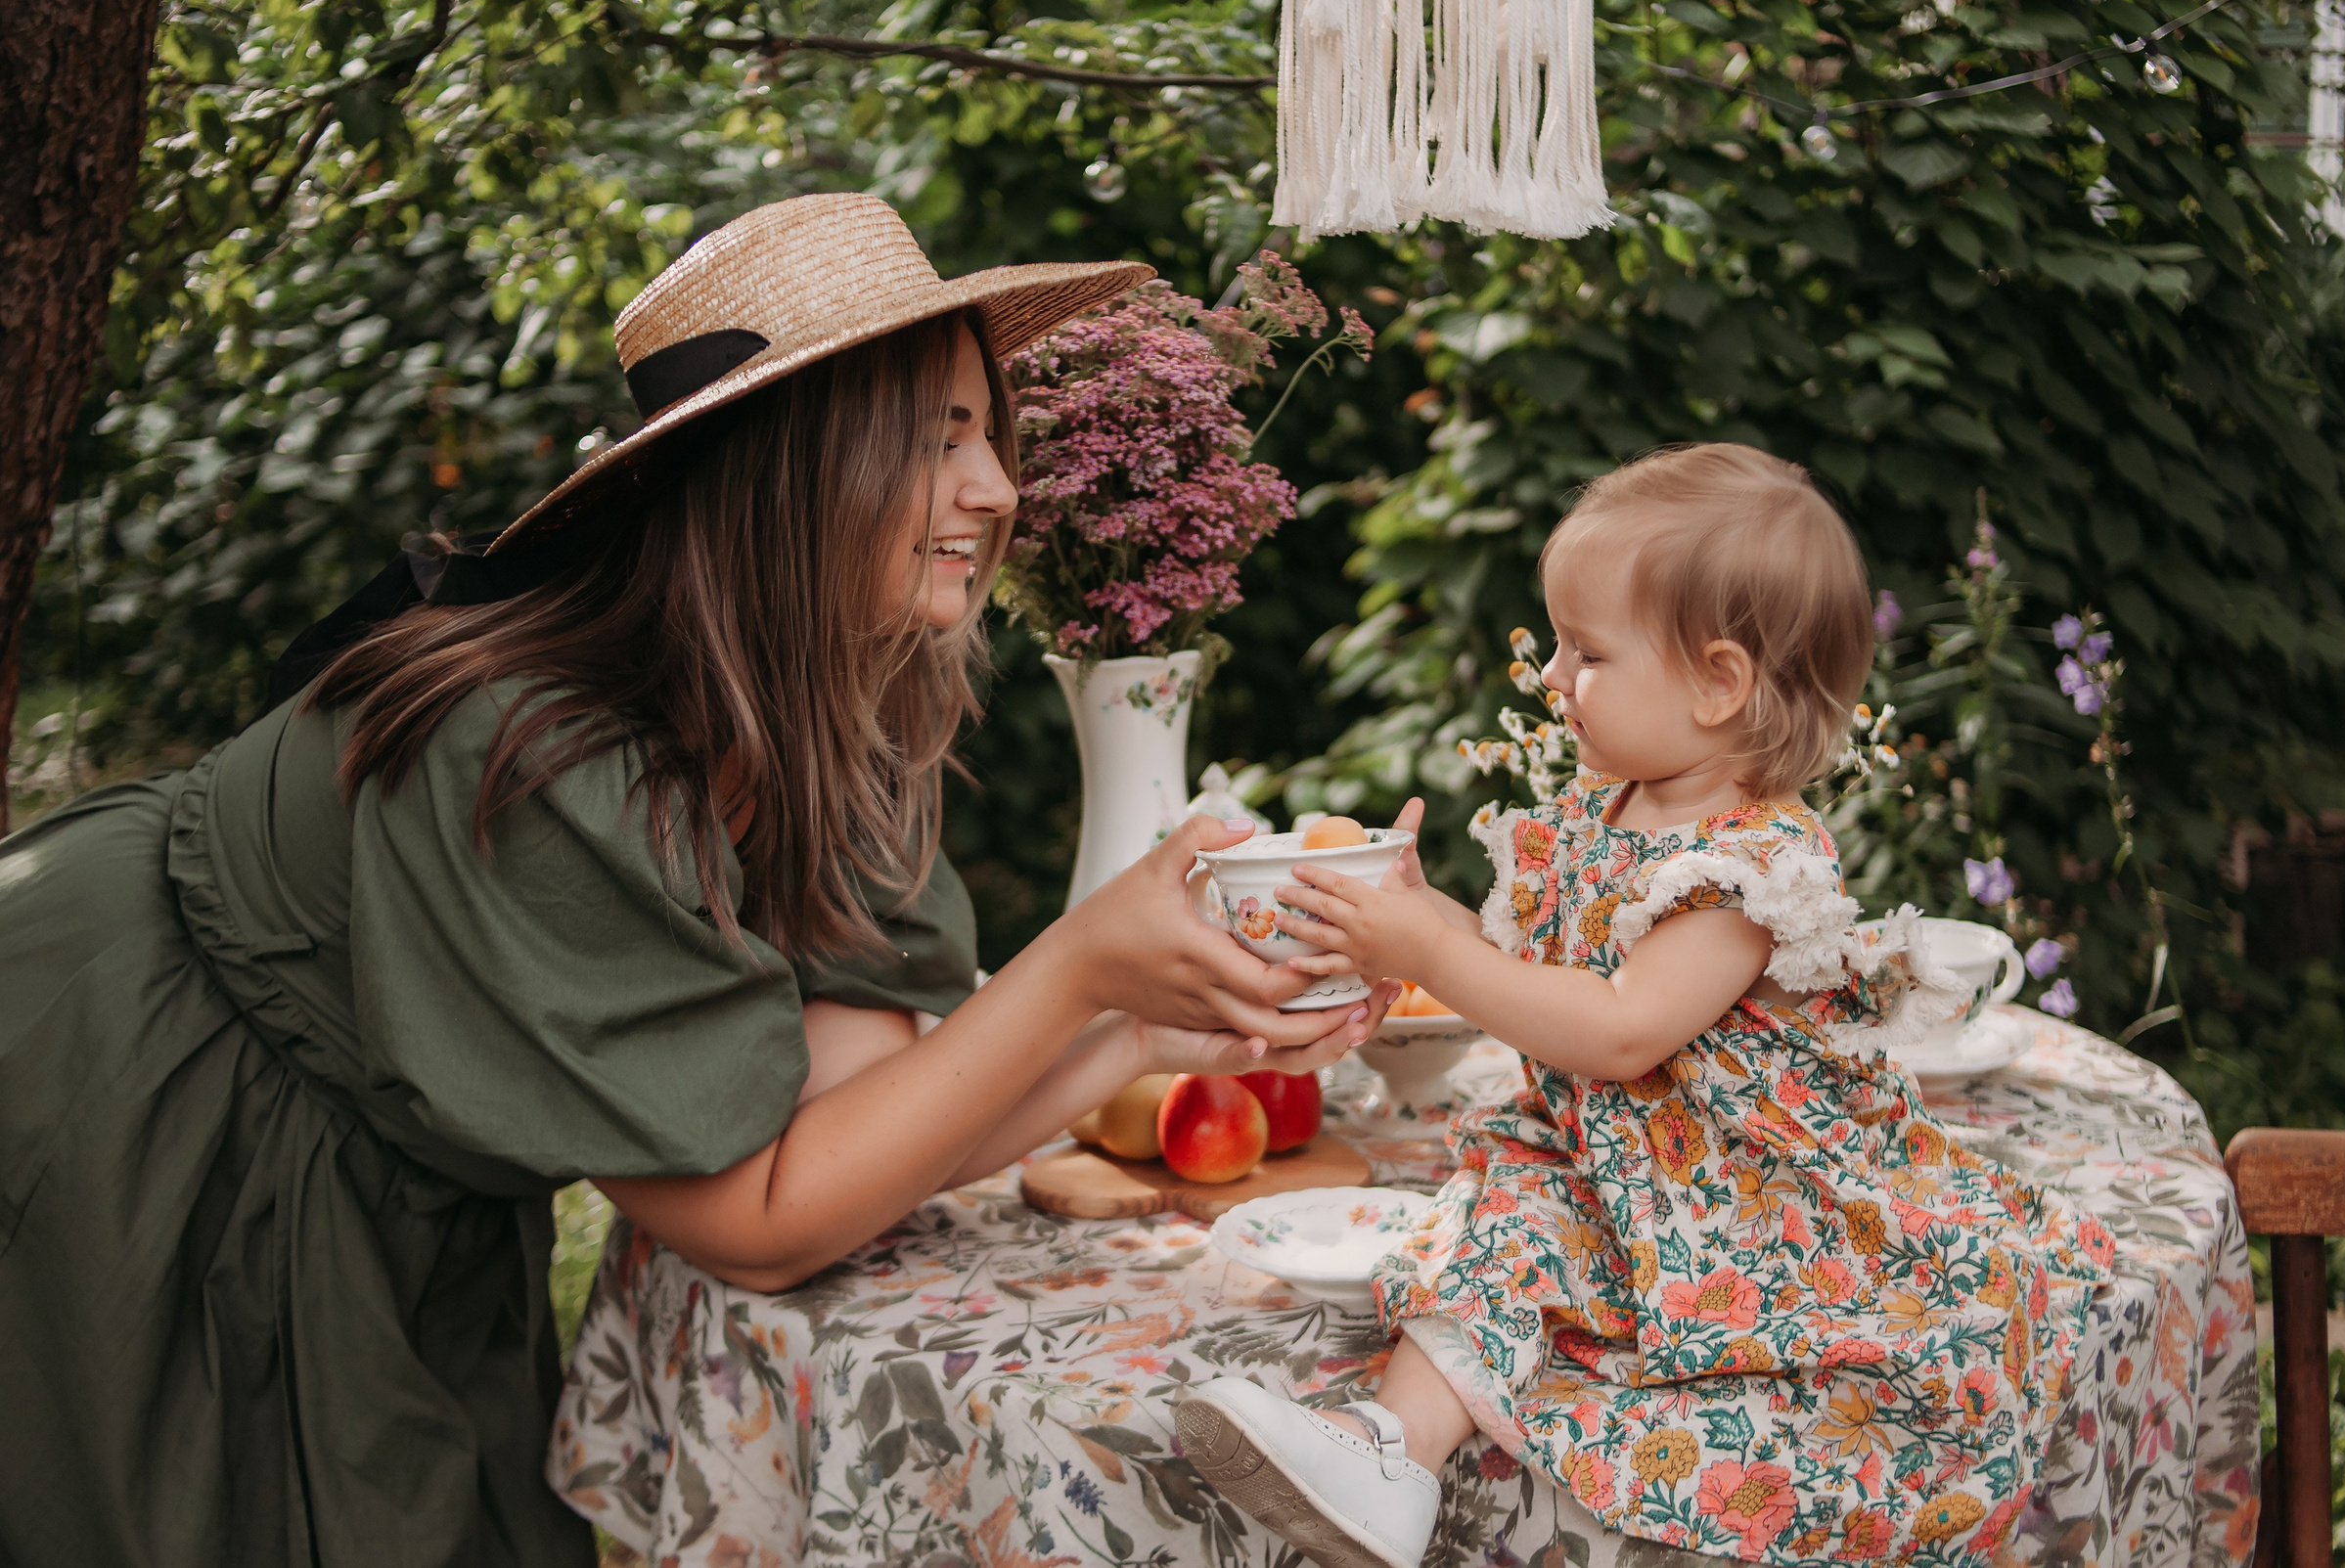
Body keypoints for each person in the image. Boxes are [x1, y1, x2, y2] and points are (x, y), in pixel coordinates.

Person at [0, 193, 1381, 1568]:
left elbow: (849, 1134)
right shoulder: (543, 750)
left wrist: (1133, 1031)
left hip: (398, 1164)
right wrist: (1078, 963)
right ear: (792, 465)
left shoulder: (835, 705)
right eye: (938, 435)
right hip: (127, 1076)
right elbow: (761, 1222)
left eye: (988, 430)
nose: (999, 488)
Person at [1174, 444, 2117, 1568]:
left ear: (1718, 682)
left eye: (1587, 651)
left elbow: (1622, 1030)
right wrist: (1426, 923)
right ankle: (1386, 1455)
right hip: (1600, 1170)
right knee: (1495, 1232)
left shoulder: (1749, 867)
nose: (1555, 677)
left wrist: (1430, 943)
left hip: (1738, 1194)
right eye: (1560, 644)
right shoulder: (1601, 811)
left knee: (1599, 1256)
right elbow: (1545, 979)